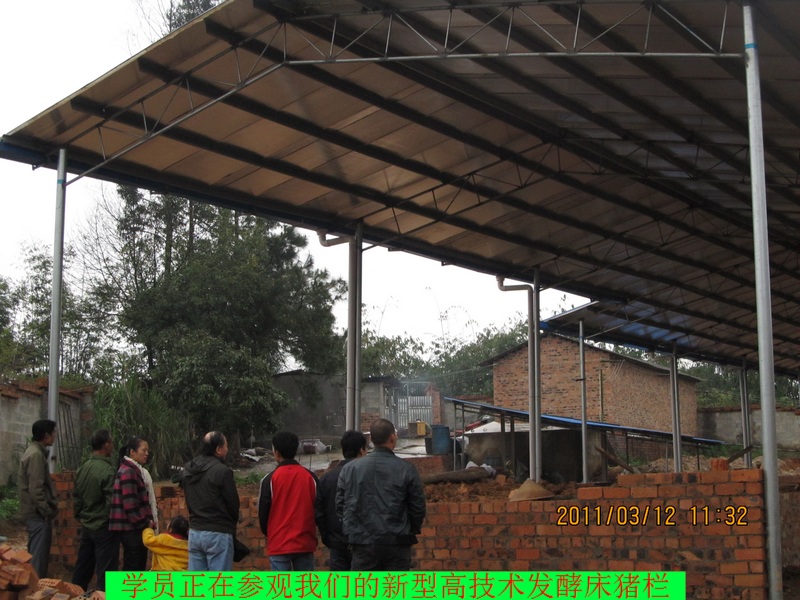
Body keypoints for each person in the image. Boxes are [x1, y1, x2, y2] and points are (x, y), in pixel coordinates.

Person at [336, 418, 426, 571]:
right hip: (397, 543)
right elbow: (418, 507)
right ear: (392, 438)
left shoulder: (349, 469)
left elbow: (340, 505)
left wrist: (354, 530)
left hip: (362, 543)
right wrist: (409, 530)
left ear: (370, 439)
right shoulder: (406, 469)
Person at [258, 431, 318, 571]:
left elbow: (263, 513)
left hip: (278, 544)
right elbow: (318, 509)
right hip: (304, 543)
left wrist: (270, 534)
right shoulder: (310, 477)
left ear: (276, 453)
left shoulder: (270, 479)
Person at [181, 431, 240, 571]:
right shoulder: (223, 471)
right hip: (218, 533)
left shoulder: (188, 470)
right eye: (226, 446)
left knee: (198, 583)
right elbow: (233, 505)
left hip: (195, 533)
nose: (227, 449)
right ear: (218, 449)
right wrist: (229, 525)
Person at [314, 430, 367, 570]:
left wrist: (328, 538)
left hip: (337, 543)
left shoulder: (327, 478)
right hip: (363, 543)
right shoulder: (368, 476)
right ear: (362, 450)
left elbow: (319, 512)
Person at [71, 429, 117, 591]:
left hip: (87, 525)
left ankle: (74, 593)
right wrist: (108, 521)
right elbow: (111, 503)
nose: (112, 446)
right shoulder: (107, 470)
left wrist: (81, 516)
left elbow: (77, 498)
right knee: (106, 573)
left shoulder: (83, 468)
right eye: (111, 442)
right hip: (103, 528)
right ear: (106, 445)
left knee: (83, 568)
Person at [17, 419, 58, 578]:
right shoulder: (36, 455)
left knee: (36, 554)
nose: (55, 436)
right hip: (37, 514)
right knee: (38, 560)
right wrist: (46, 511)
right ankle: (35, 587)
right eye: (53, 433)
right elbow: (36, 489)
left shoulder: (34, 452)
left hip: (34, 513)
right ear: (46, 435)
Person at [109, 436, 155, 571]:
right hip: (131, 529)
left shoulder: (131, 469)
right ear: (132, 452)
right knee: (134, 567)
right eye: (143, 450)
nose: (147, 454)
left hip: (131, 528)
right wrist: (146, 522)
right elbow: (131, 505)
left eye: (147, 451)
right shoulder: (129, 471)